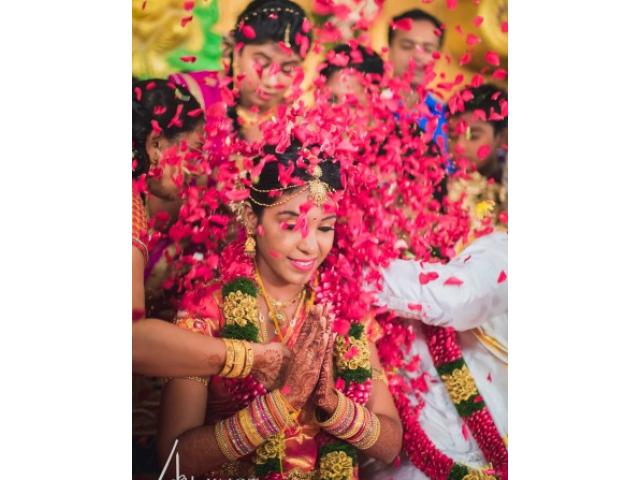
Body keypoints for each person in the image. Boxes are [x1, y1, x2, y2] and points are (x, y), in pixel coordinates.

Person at [157, 140, 403, 479]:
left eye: (325, 227)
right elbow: (172, 463)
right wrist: (279, 405)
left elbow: (390, 446)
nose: (310, 245)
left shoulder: (345, 310)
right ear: (250, 219)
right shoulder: (207, 310)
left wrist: (333, 406)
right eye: (290, 225)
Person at [170, 0, 312, 144]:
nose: (271, 81)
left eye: (288, 68)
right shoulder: (191, 93)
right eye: (261, 63)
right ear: (237, 51)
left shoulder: (298, 123)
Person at [447, 83, 508, 234]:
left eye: (473, 136)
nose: (459, 146)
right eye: (453, 136)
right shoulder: (441, 191)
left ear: (502, 138)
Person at [387, 8, 447, 152]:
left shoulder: (446, 116)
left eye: (428, 49)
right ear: (390, 50)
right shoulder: (369, 106)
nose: (418, 56)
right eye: (407, 46)